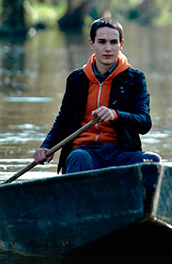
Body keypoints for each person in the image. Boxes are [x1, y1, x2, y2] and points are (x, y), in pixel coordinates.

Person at [33, 17, 160, 173]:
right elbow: (63, 120)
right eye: (102, 42)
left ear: (121, 45)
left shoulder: (135, 79)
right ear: (91, 44)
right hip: (85, 152)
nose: (108, 48)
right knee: (77, 157)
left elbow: (144, 122)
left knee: (152, 160)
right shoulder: (76, 79)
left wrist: (115, 114)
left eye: (113, 42)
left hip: (121, 152)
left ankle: (141, 197)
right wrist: (46, 147)